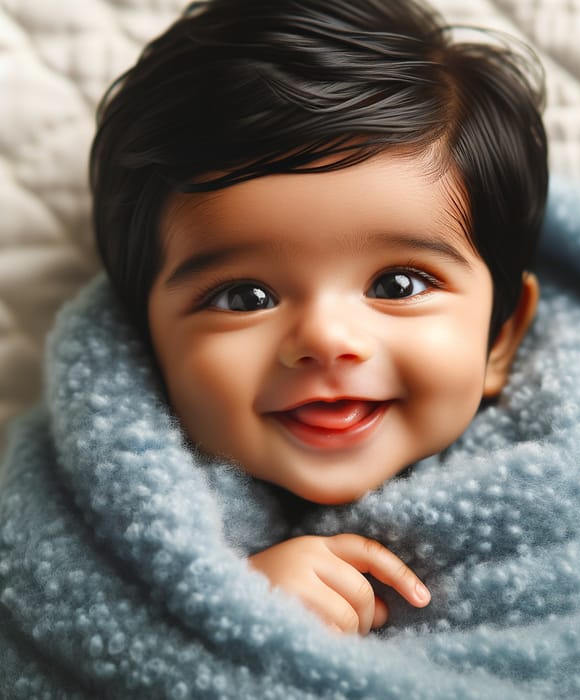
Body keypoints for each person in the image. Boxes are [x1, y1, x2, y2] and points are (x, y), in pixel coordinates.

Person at [90, 0, 546, 636]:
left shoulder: (562, 499)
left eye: (398, 284)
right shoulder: (98, 534)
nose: (326, 340)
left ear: (501, 338)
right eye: (245, 297)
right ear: (147, 346)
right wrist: (231, 615)